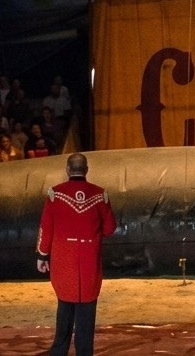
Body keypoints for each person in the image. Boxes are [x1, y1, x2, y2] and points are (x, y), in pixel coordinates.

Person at [37, 152, 117, 356]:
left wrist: (42, 255)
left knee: (64, 306)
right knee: (87, 310)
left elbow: (46, 228)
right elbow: (109, 228)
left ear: (67, 169)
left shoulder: (55, 194)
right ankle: (84, 352)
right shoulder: (100, 194)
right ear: (87, 170)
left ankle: (59, 351)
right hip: (89, 261)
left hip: (64, 261)